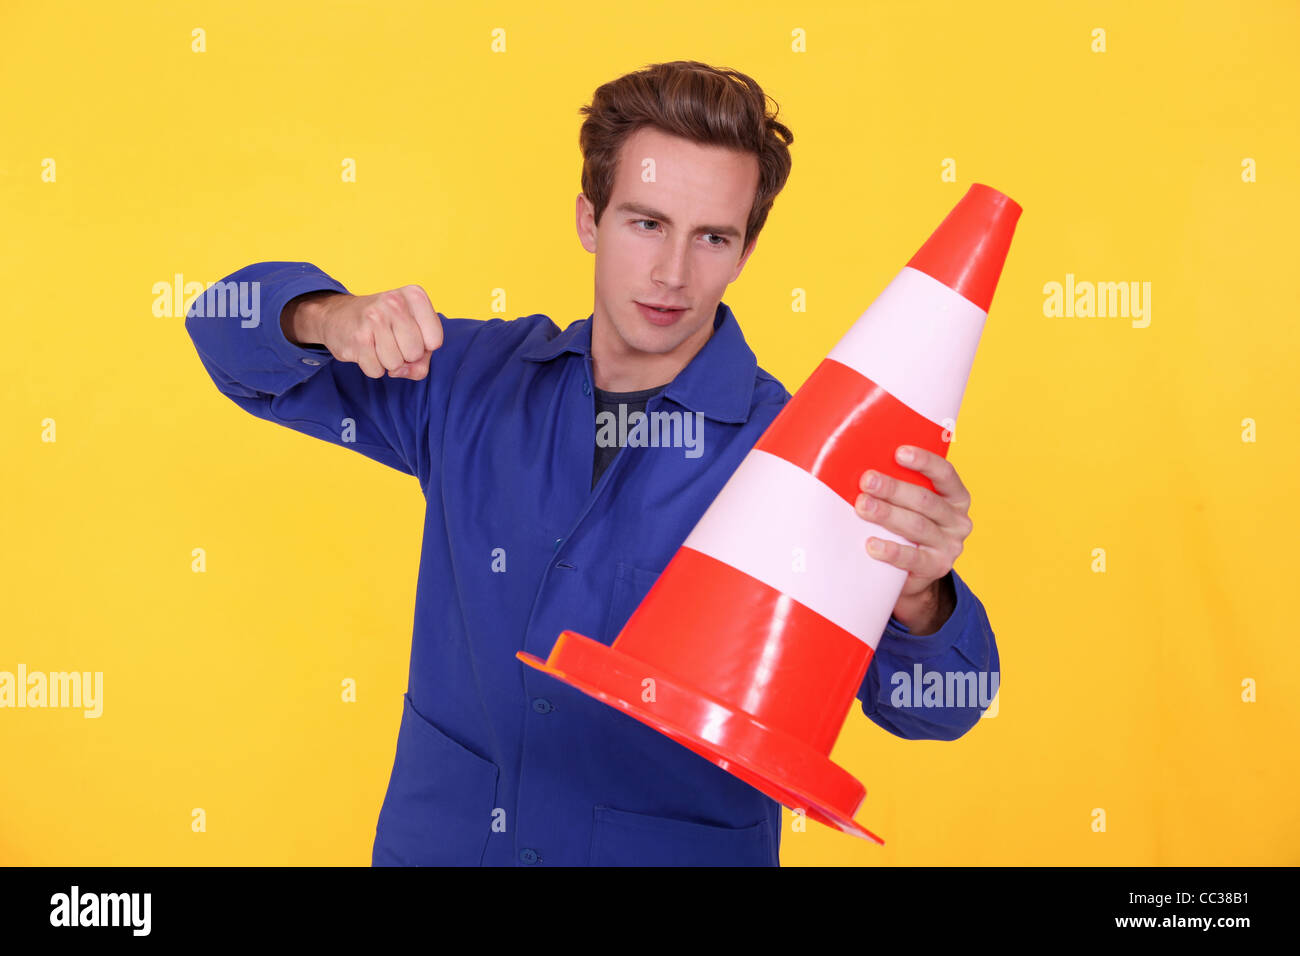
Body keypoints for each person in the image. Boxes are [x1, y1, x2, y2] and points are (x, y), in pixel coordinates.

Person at [184, 60, 999, 867]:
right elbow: (221, 328)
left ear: (746, 252)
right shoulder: (465, 377)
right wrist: (329, 316)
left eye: (711, 237)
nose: (673, 274)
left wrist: (920, 595)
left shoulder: (801, 454)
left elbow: (939, 710)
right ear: (589, 219)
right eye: (646, 223)